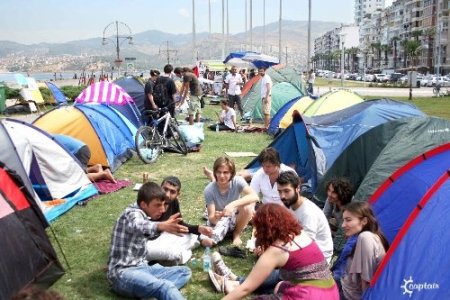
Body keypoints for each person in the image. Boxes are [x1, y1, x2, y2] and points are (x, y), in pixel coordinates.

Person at [209, 203, 339, 299]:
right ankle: (232, 281)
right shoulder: (301, 234)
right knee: (280, 286)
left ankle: (231, 283)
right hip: (331, 293)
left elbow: (246, 289)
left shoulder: (278, 250)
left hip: (309, 296)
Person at [107, 182, 192, 300]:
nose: (162, 210)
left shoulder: (144, 214)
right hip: (122, 274)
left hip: (143, 268)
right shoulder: (132, 214)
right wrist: (161, 226)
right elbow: (139, 225)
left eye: (163, 204)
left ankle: (152, 293)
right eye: (157, 205)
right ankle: (159, 291)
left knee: (184, 271)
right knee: (165, 286)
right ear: (143, 204)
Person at [201, 156, 259, 247]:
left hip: (234, 214)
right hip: (221, 217)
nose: (221, 175)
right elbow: (211, 218)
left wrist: (232, 204)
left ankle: (236, 234)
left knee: (248, 207)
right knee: (214, 184)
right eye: (218, 172)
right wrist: (216, 217)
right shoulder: (209, 190)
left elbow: (255, 196)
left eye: (225, 172)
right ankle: (211, 176)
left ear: (232, 173)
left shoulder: (237, 181)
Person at [277, 171, 333, 263]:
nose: (282, 196)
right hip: (298, 246)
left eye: (286, 191)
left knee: (272, 265)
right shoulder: (287, 204)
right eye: (279, 191)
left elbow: (306, 245)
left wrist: (277, 250)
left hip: (319, 256)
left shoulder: (308, 212)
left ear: (297, 188)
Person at [339, 202, 389, 300]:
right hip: (345, 289)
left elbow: (366, 279)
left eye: (348, 220)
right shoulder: (360, 237)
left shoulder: (366, 237)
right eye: (343, 220)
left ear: (364, 221)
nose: (343, 225)